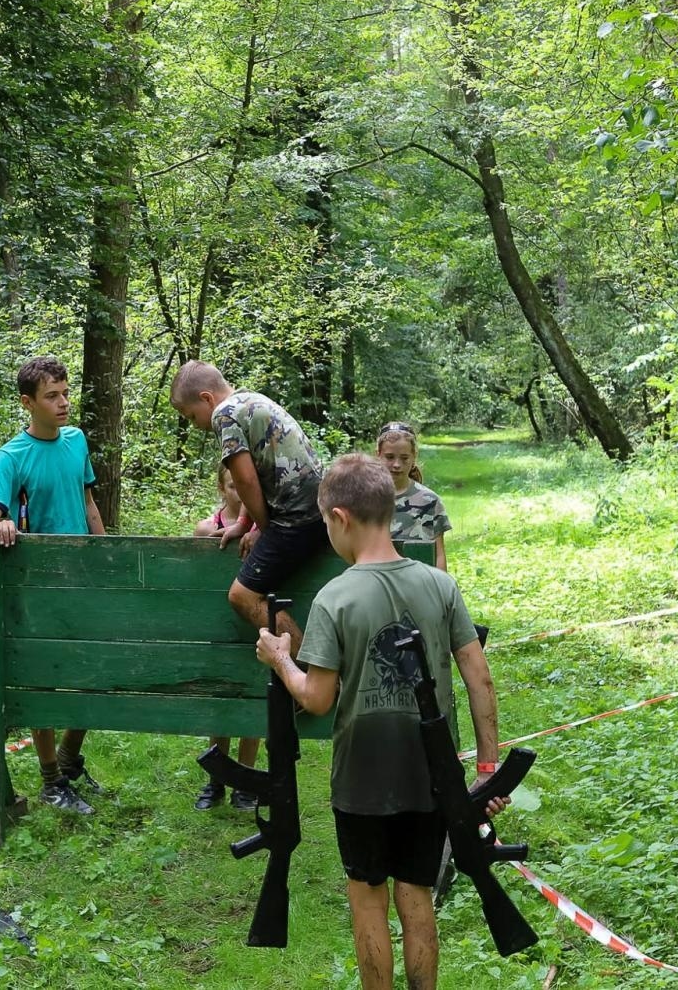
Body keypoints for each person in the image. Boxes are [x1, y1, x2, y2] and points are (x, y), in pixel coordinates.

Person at [253, 453, 509, 990]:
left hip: (360, 778)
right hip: (428, 771)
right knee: (416, 897)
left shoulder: (334, 598)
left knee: (367, 900)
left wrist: (280, 658)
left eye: (325, 523)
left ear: (341, 518)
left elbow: (317, 699)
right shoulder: (441, 586)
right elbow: (478, 677)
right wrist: (487, 768)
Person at [170, 360, 328, 810]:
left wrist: (260, 525)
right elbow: (259, 473)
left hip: (298, 518)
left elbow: (243, 477)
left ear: (205, 399)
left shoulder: (224, 414)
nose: (197, 426)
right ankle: (309, 667)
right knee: (254, 588)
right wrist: (246, 523)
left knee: (242, 595)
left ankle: (310, 671)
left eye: (190, 417)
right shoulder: (251, 400)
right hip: (308, 511)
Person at [0, 356, 107, 815]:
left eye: (65, 393)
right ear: (27, 403)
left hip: (83, 581)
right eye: (52, 396)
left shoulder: (76, 442)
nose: (63, 403)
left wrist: (106, 556)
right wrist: (1, 527)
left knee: (95, 675)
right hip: (37, 587)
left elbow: (89, 504)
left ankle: (70, 761)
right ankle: (52, 781)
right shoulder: (12, 456)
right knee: (46, 685)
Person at [192, 463, 258, 809]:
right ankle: (215, 780)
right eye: (231, 486)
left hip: (251, 621)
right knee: (221, 702)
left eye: (242, 486)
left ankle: (246, 783)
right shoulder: (206, 529)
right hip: (217, 626)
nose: (238, 492)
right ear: (221, 488)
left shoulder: (264, 529)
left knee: (254, 703)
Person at [376, 422, 451, 572]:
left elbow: (439, 555)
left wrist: (440, 589)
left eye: (404, 458)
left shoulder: (429, 501)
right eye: (389, 457)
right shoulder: (364, 499)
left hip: (419, 584)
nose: (397, 464)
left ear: (414, 457)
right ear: (378, 455)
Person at [193, 463, 244, 540]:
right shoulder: (206, 529)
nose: (242, 492)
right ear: (222, 489)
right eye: (233, 486)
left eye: (247, 485)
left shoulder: (263, 525)